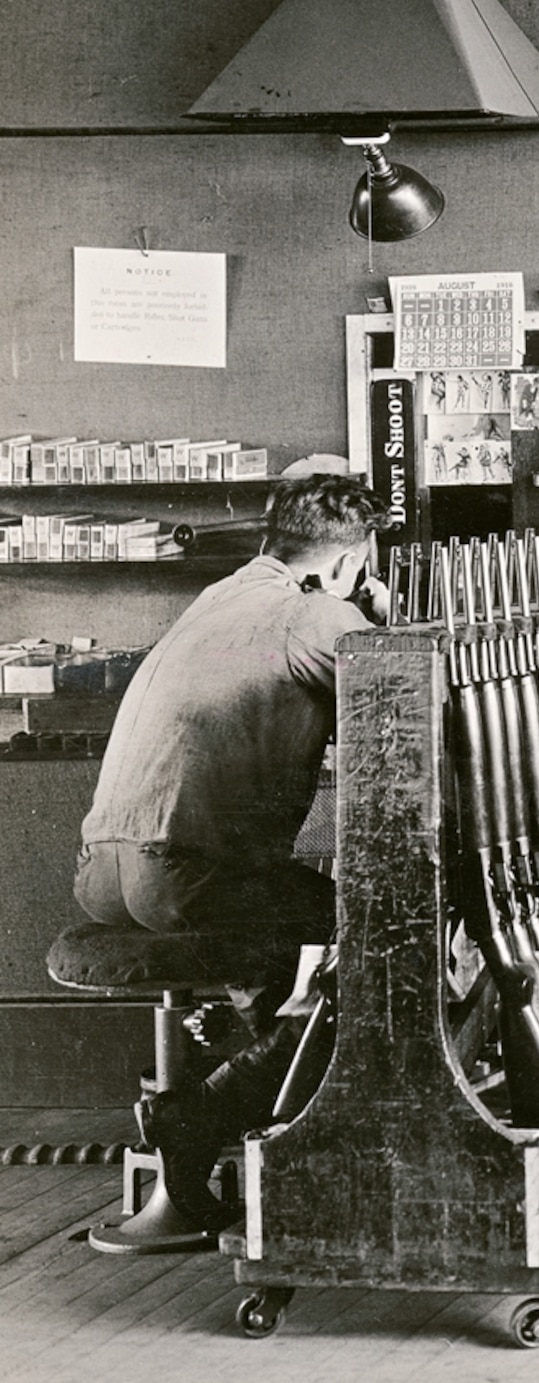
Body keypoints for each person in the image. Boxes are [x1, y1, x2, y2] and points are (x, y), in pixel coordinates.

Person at [74, 467, 390, 1251]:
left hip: (103, 871)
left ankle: (245, 1089)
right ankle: (204, 1119)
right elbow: (409, 694)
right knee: (383, 945)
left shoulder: (223, 594)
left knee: (299, 938)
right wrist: (381, 622)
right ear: (348, 564)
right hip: (183, 870)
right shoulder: (314, 610)